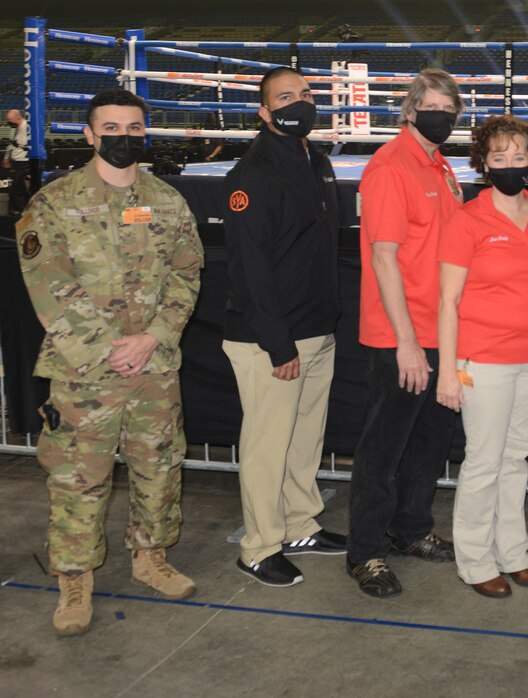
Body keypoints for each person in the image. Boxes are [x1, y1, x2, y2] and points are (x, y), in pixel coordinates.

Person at [16, 89, 203, 635]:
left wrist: (153, 336)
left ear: (145, 133)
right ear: (90, 135)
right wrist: (107, 349)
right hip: (82, 374)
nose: (124, 137)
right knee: (79, 480)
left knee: (160, 467)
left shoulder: (168, 202)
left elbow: (187, 275)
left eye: (134, 128)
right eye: (112, 128)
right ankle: (74, 581)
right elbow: (48, 283)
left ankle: (151, 557)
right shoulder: (53, 203)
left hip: (154, 366)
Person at [223, 67, 344, 587]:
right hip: (272, 339)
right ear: (264, 112)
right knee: (268, 446)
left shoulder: (315, 161)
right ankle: (259, 546)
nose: (300, 103)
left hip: (316, 328)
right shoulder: (252, 175)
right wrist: (277, 344)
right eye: (286, 97)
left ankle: (298, 525)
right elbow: (250, 269)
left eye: (306, 93)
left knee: (303, 440)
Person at [348, 68, 465, 598]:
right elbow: (383, 258)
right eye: (432, 106)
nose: (441, 115)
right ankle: (366, 553)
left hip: (441, 329)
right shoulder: (392, 166)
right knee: (383, 449)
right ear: (412, 110)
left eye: (450, 108)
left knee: (430, 443)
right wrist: (407, 342)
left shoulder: (440, 167)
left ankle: (411, 529)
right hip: (403, 335)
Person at [436, 115, 528, 598]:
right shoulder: (467, 220)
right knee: (485, 462)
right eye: (499, 157)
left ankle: (514, 553)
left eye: (518, 156)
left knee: (516, 458)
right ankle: (474, 560)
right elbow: (447, 301)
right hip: (482, 361)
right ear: (483, 164)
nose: (510, 164)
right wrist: (448, 370)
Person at [4, 108, 30, 215]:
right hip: (15, 161)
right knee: (18, 187)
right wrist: (6, 158)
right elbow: (11, 145)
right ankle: (13, 210)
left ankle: (23, 211)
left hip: (25, 161)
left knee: (15, 188)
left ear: (18, 118)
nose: (9, 123)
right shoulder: (14, 129)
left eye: (10, 121)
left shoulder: (27, 127)